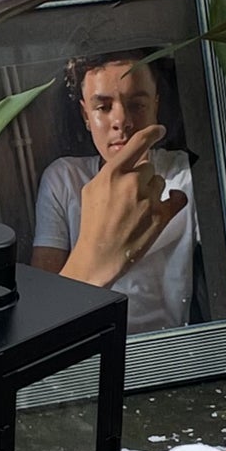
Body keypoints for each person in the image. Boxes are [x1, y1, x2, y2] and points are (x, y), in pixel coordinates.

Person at [31, 53, 196, 331]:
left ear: (156, 105)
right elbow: (40, 304)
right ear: (85, 114)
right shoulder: (63, 179)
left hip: (172, 349)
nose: (122, 121)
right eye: (103, 107)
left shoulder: (184, 174)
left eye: (137, 104)